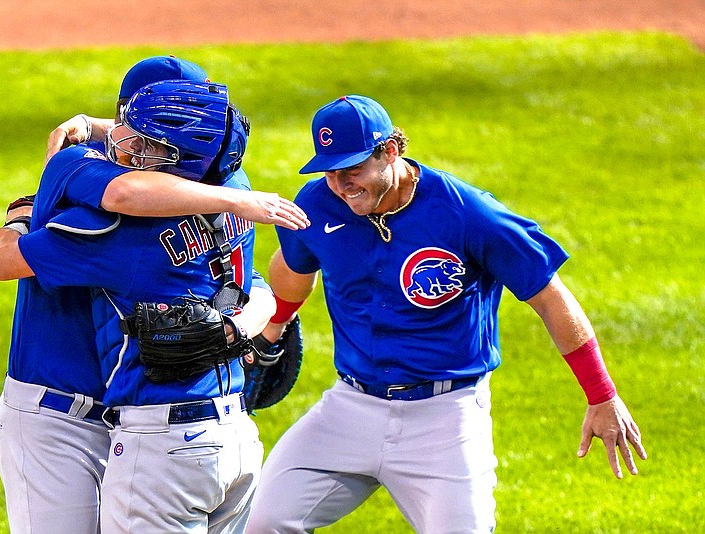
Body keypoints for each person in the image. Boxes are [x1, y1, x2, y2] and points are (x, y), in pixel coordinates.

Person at [245, 95, 647, 533]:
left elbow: (550, 298)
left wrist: (601, 394)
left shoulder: (468, 213)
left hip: (445, 419)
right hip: (351, 407)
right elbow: (293, 264)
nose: (341, 185)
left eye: (353, 169)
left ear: (391, 152)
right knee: (266, 521)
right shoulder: (319, 204)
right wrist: (275, 325)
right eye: (330, 171)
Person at [0, 55, 306, 534]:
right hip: (57, 419)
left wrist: (20, 218)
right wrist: (249, 321)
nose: (127, 144)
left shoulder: (110, 216)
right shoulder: (234, 188)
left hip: (141, 427)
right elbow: (244, 281)